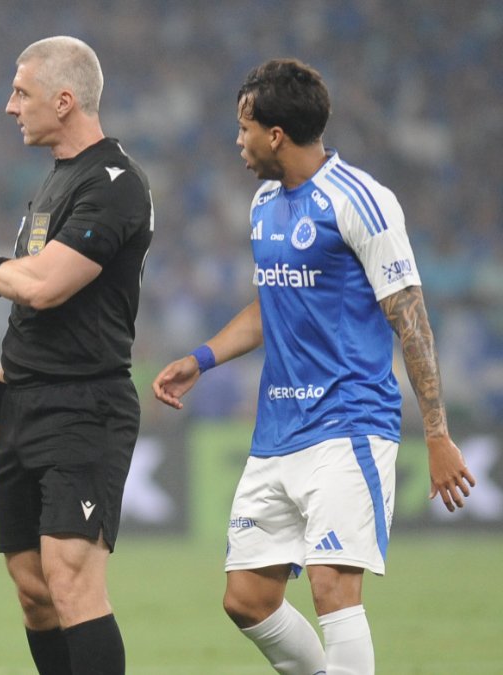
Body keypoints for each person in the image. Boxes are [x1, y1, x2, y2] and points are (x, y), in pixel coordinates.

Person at [151, 58, 476, 675]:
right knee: (246, 600)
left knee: (332, 587)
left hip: (349, 422)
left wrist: (435, 433)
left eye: (244, 127)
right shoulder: (264, 201)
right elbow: (272, 300)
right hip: (278, 430)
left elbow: (410, 318)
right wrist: (202, 358)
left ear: (275, 134)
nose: (237, 140)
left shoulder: (362, 201)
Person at [0, 36, 153, 674]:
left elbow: (44, 285)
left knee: (72, 583)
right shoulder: (52, 182)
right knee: (34, 590)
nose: (9, 106)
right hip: (25, 404)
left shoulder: (116, 183)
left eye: (21, 92)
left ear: (65, 100)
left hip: (85, 408)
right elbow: (27, 318)